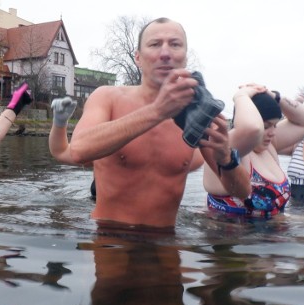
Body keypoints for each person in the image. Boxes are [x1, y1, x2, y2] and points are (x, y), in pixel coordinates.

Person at [48, 17, 251, 230]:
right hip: (112, 239)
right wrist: (157, 111)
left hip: (166, 242)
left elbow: (243, 192)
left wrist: (226, 159)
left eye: (175, 44)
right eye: (155, 44)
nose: (165, 53)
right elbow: (78, 150)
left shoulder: (197, 113)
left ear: (185, 56)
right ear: (138, 57)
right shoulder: (107, 97)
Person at [204, 85, 304, 218]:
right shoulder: (229, 147)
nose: (273, 132)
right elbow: (252, 128)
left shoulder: (269, 147)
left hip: (272, 234)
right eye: (266, 126)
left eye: (275, 125)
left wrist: (274, 96)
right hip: (233, 237)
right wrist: (241, 96)